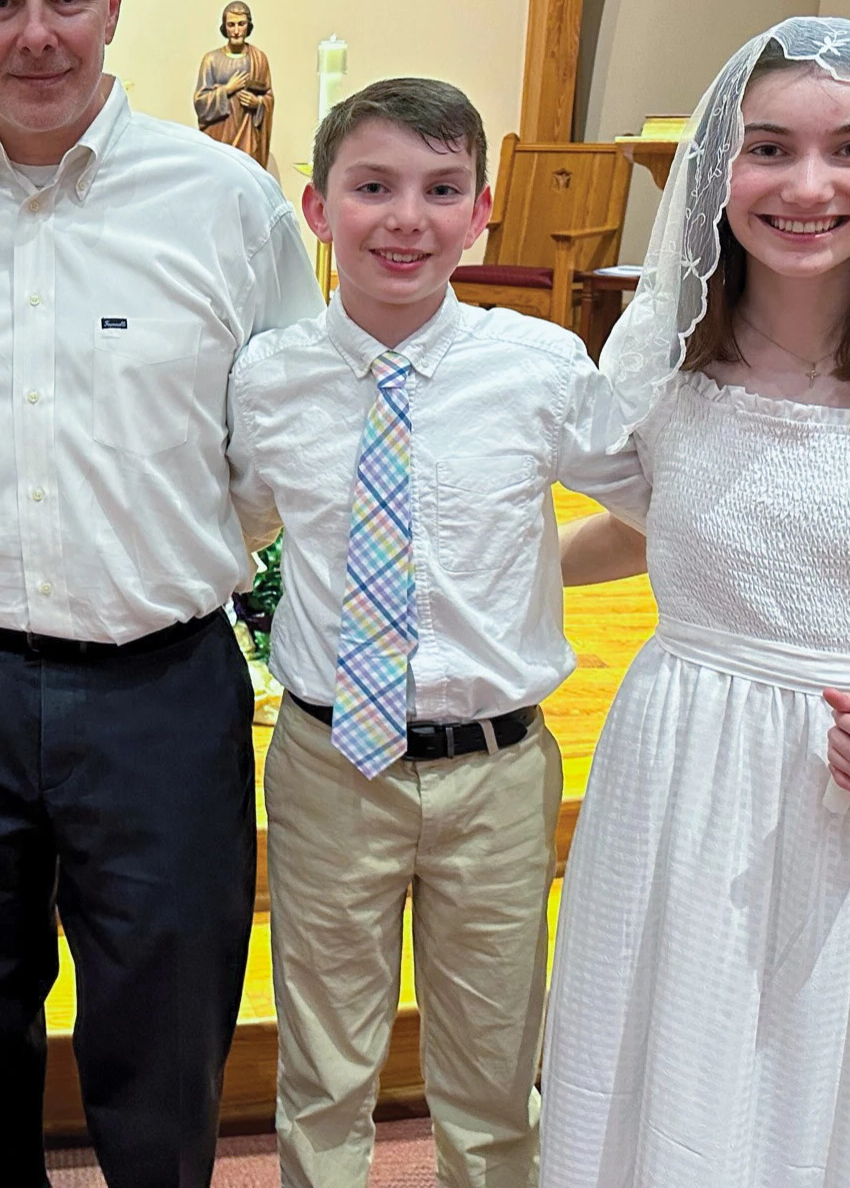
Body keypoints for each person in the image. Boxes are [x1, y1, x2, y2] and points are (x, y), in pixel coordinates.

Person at [0, 0, 322, 1187]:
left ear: (114, 4)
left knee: (167, 1045)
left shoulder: (224, 206)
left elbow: (276, 444)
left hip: (158, 686)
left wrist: (164, 547)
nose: (37, 34)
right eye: (1, 3)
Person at [541, 17, 850, 1187]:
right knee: (665, 1080)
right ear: (720, 167)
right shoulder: (664, 352)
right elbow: (662, 523)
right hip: (677, 774)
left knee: (839, 1088)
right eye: (769, 148)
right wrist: (483, 559)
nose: (807, 187)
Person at [226, 78, 647, 1188]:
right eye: (373, 187)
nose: (406, 218)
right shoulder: (269, 381)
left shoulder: (539, 367)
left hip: (494, 774)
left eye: (440, 188)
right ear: (317, 209)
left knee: (494, 1076)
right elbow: (229, 531)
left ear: (482, 208)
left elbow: (659, 516)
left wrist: (535, 568)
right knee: (323, 1071)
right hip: (328, 769)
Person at [192, 0, 274, 170]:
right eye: (231, 25)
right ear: (224, 27)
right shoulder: (211, 60)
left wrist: (257, 103)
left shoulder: (259, 59)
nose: (236, 31)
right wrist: (227, 89)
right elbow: (200, 102)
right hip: (218, 142)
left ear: (248, 26)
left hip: (249, 143)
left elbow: (268, 97)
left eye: (241, 24)